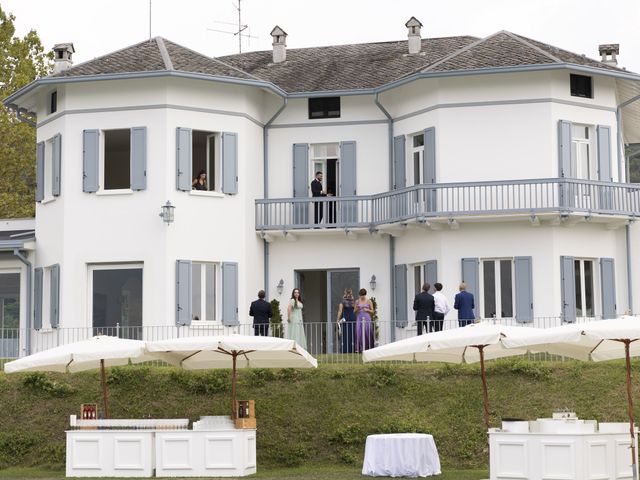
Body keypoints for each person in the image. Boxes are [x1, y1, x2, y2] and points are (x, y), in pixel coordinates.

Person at [354, 288, 375, 352]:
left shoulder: (369, 301)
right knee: (358, 332)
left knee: (367, 332)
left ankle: (368, 348)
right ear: (359, 295)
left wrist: (367, 310)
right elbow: (354, 311)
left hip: (367, 317)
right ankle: (358, 348)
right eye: (361, 295)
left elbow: (372, 311)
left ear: (365, 295)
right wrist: (357, 308)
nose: (362, 297)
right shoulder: (357, 301)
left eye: (363, 295)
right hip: (359, 317)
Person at [336, 288, 356, 353]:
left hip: (345, 319)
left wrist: (337, 320)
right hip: (353, 319)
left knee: (345, 335)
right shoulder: (354, 302)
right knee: (352, 335)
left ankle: (345, 350)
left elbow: (340, 311)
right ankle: (352, 350)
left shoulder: (342, 302)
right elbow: (356, 311)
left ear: (345, 293)